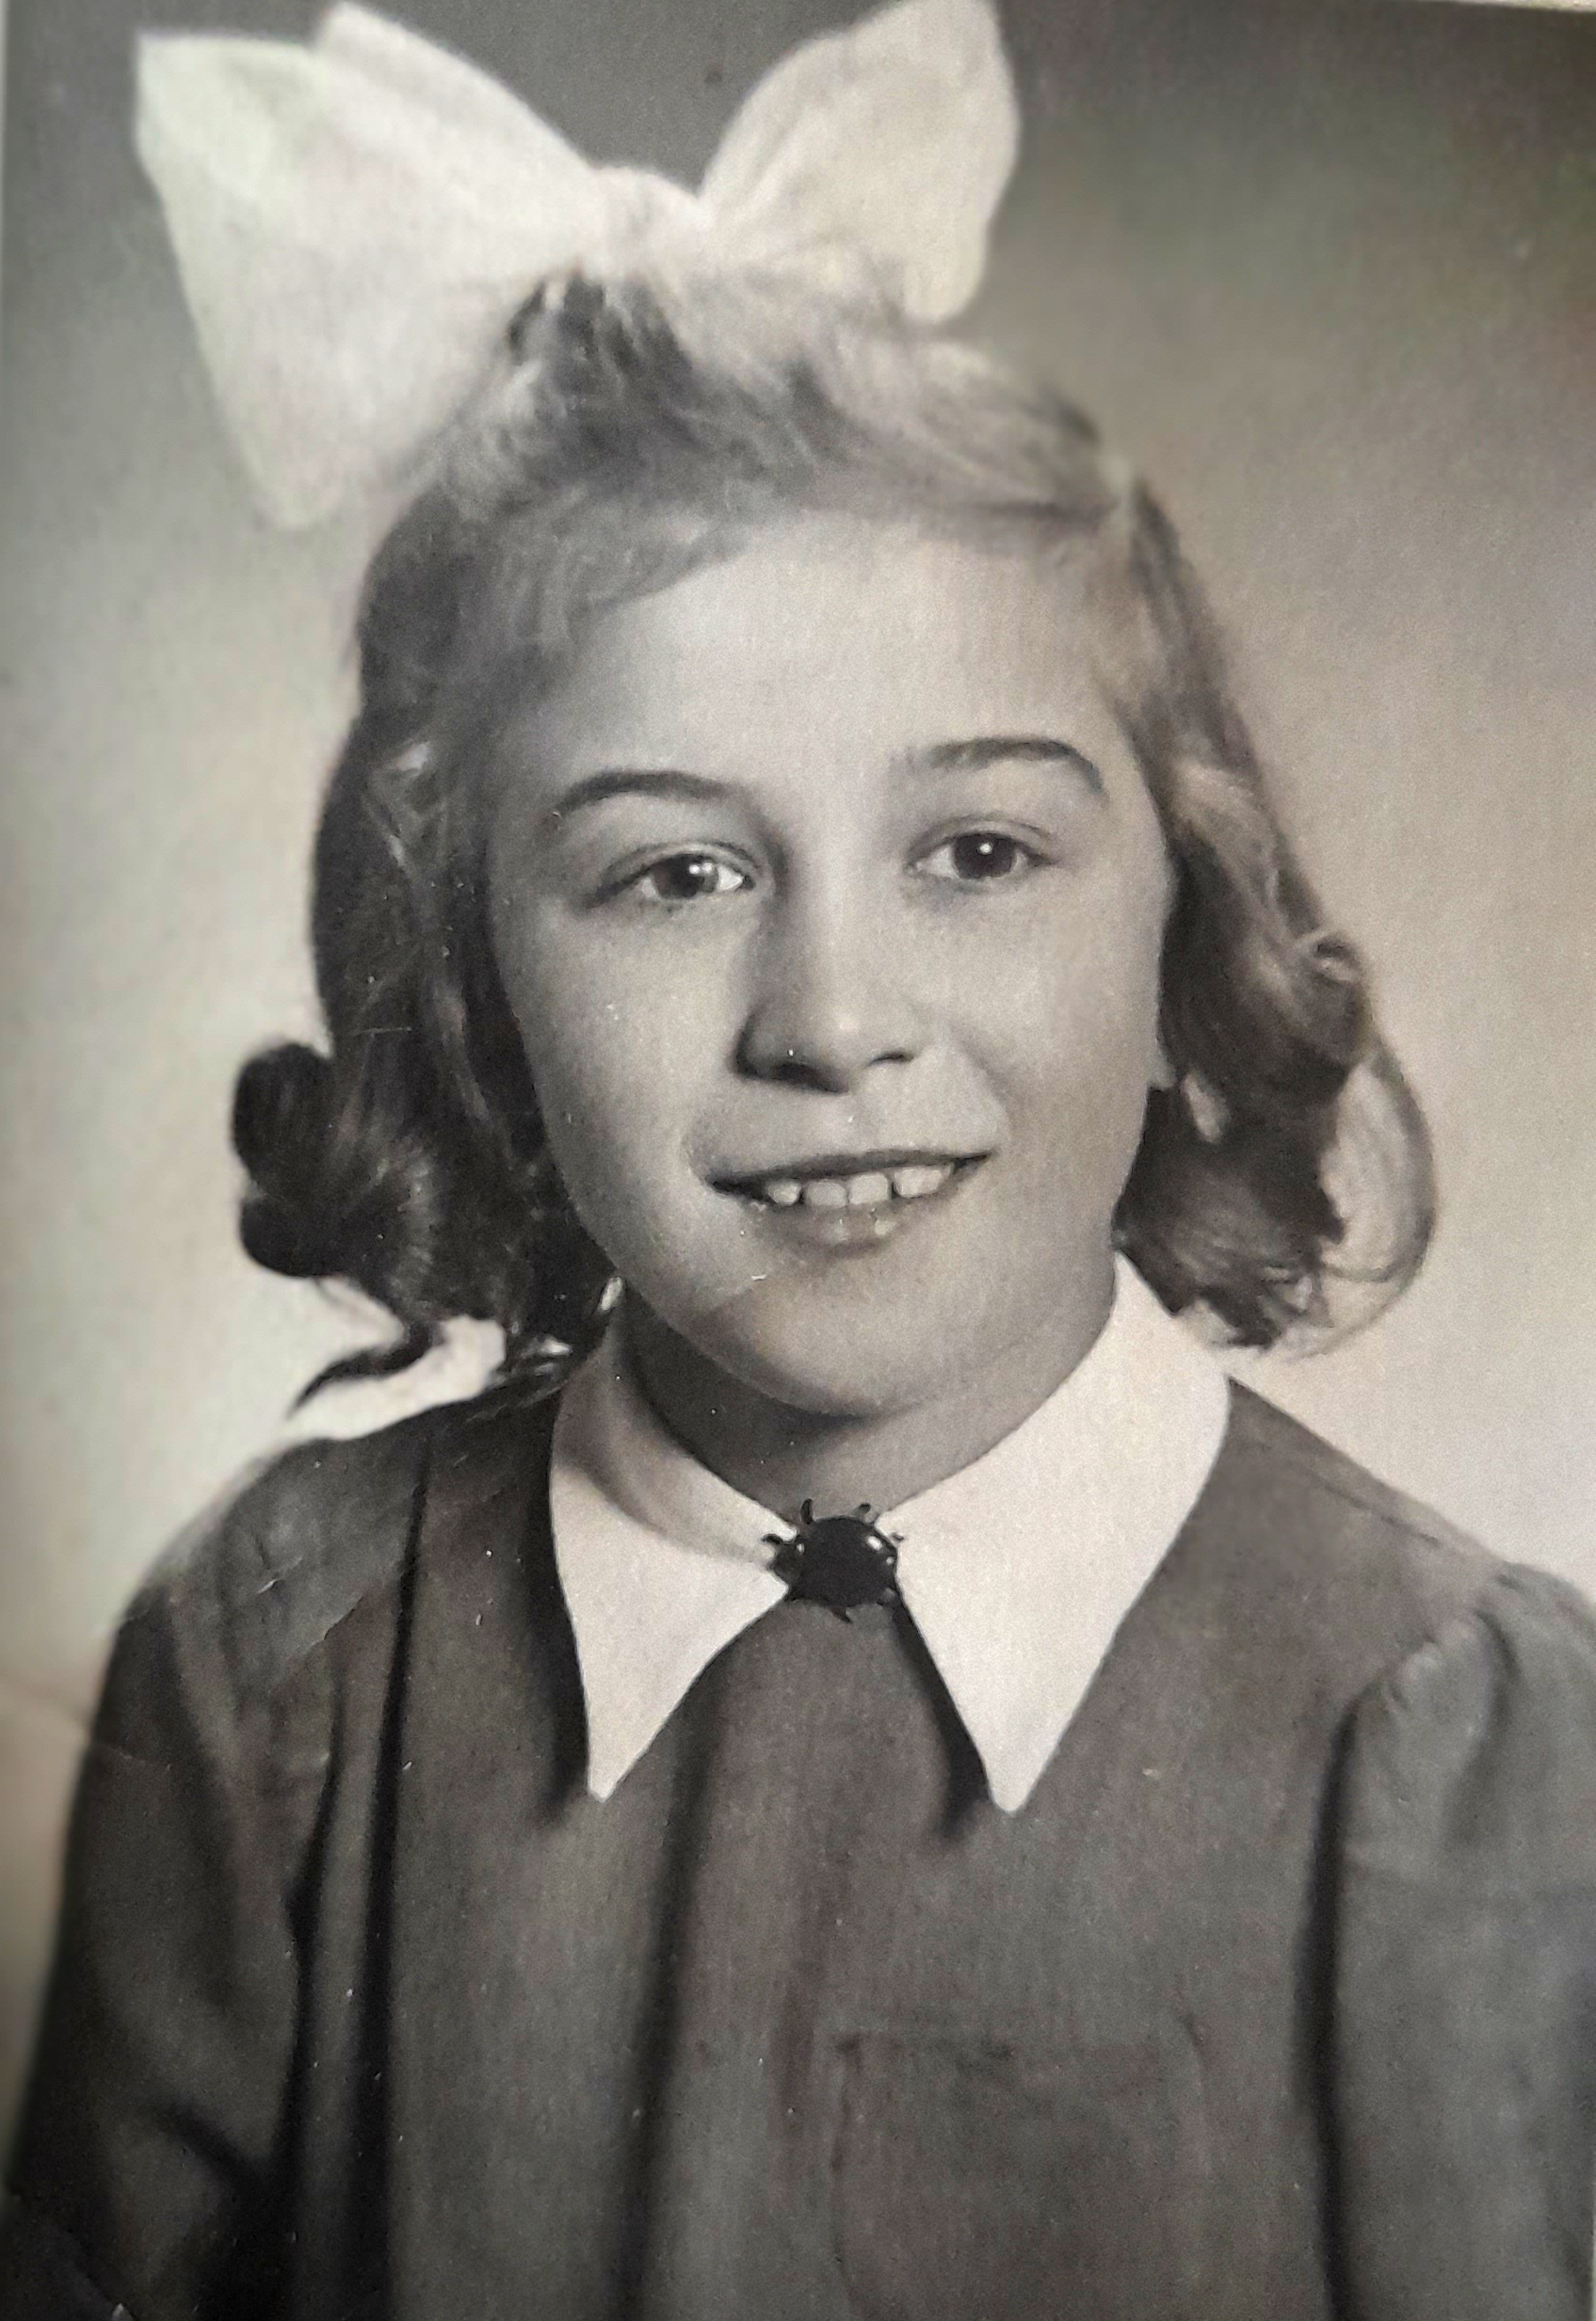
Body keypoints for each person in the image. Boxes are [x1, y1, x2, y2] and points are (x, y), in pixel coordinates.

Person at [4, 4, 1594, 2315]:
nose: (833, 1019)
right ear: (471, 985)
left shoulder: (1442, 1737)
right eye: (673, 873)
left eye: (974, 849)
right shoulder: (282, 1681)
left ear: (1177, 927)